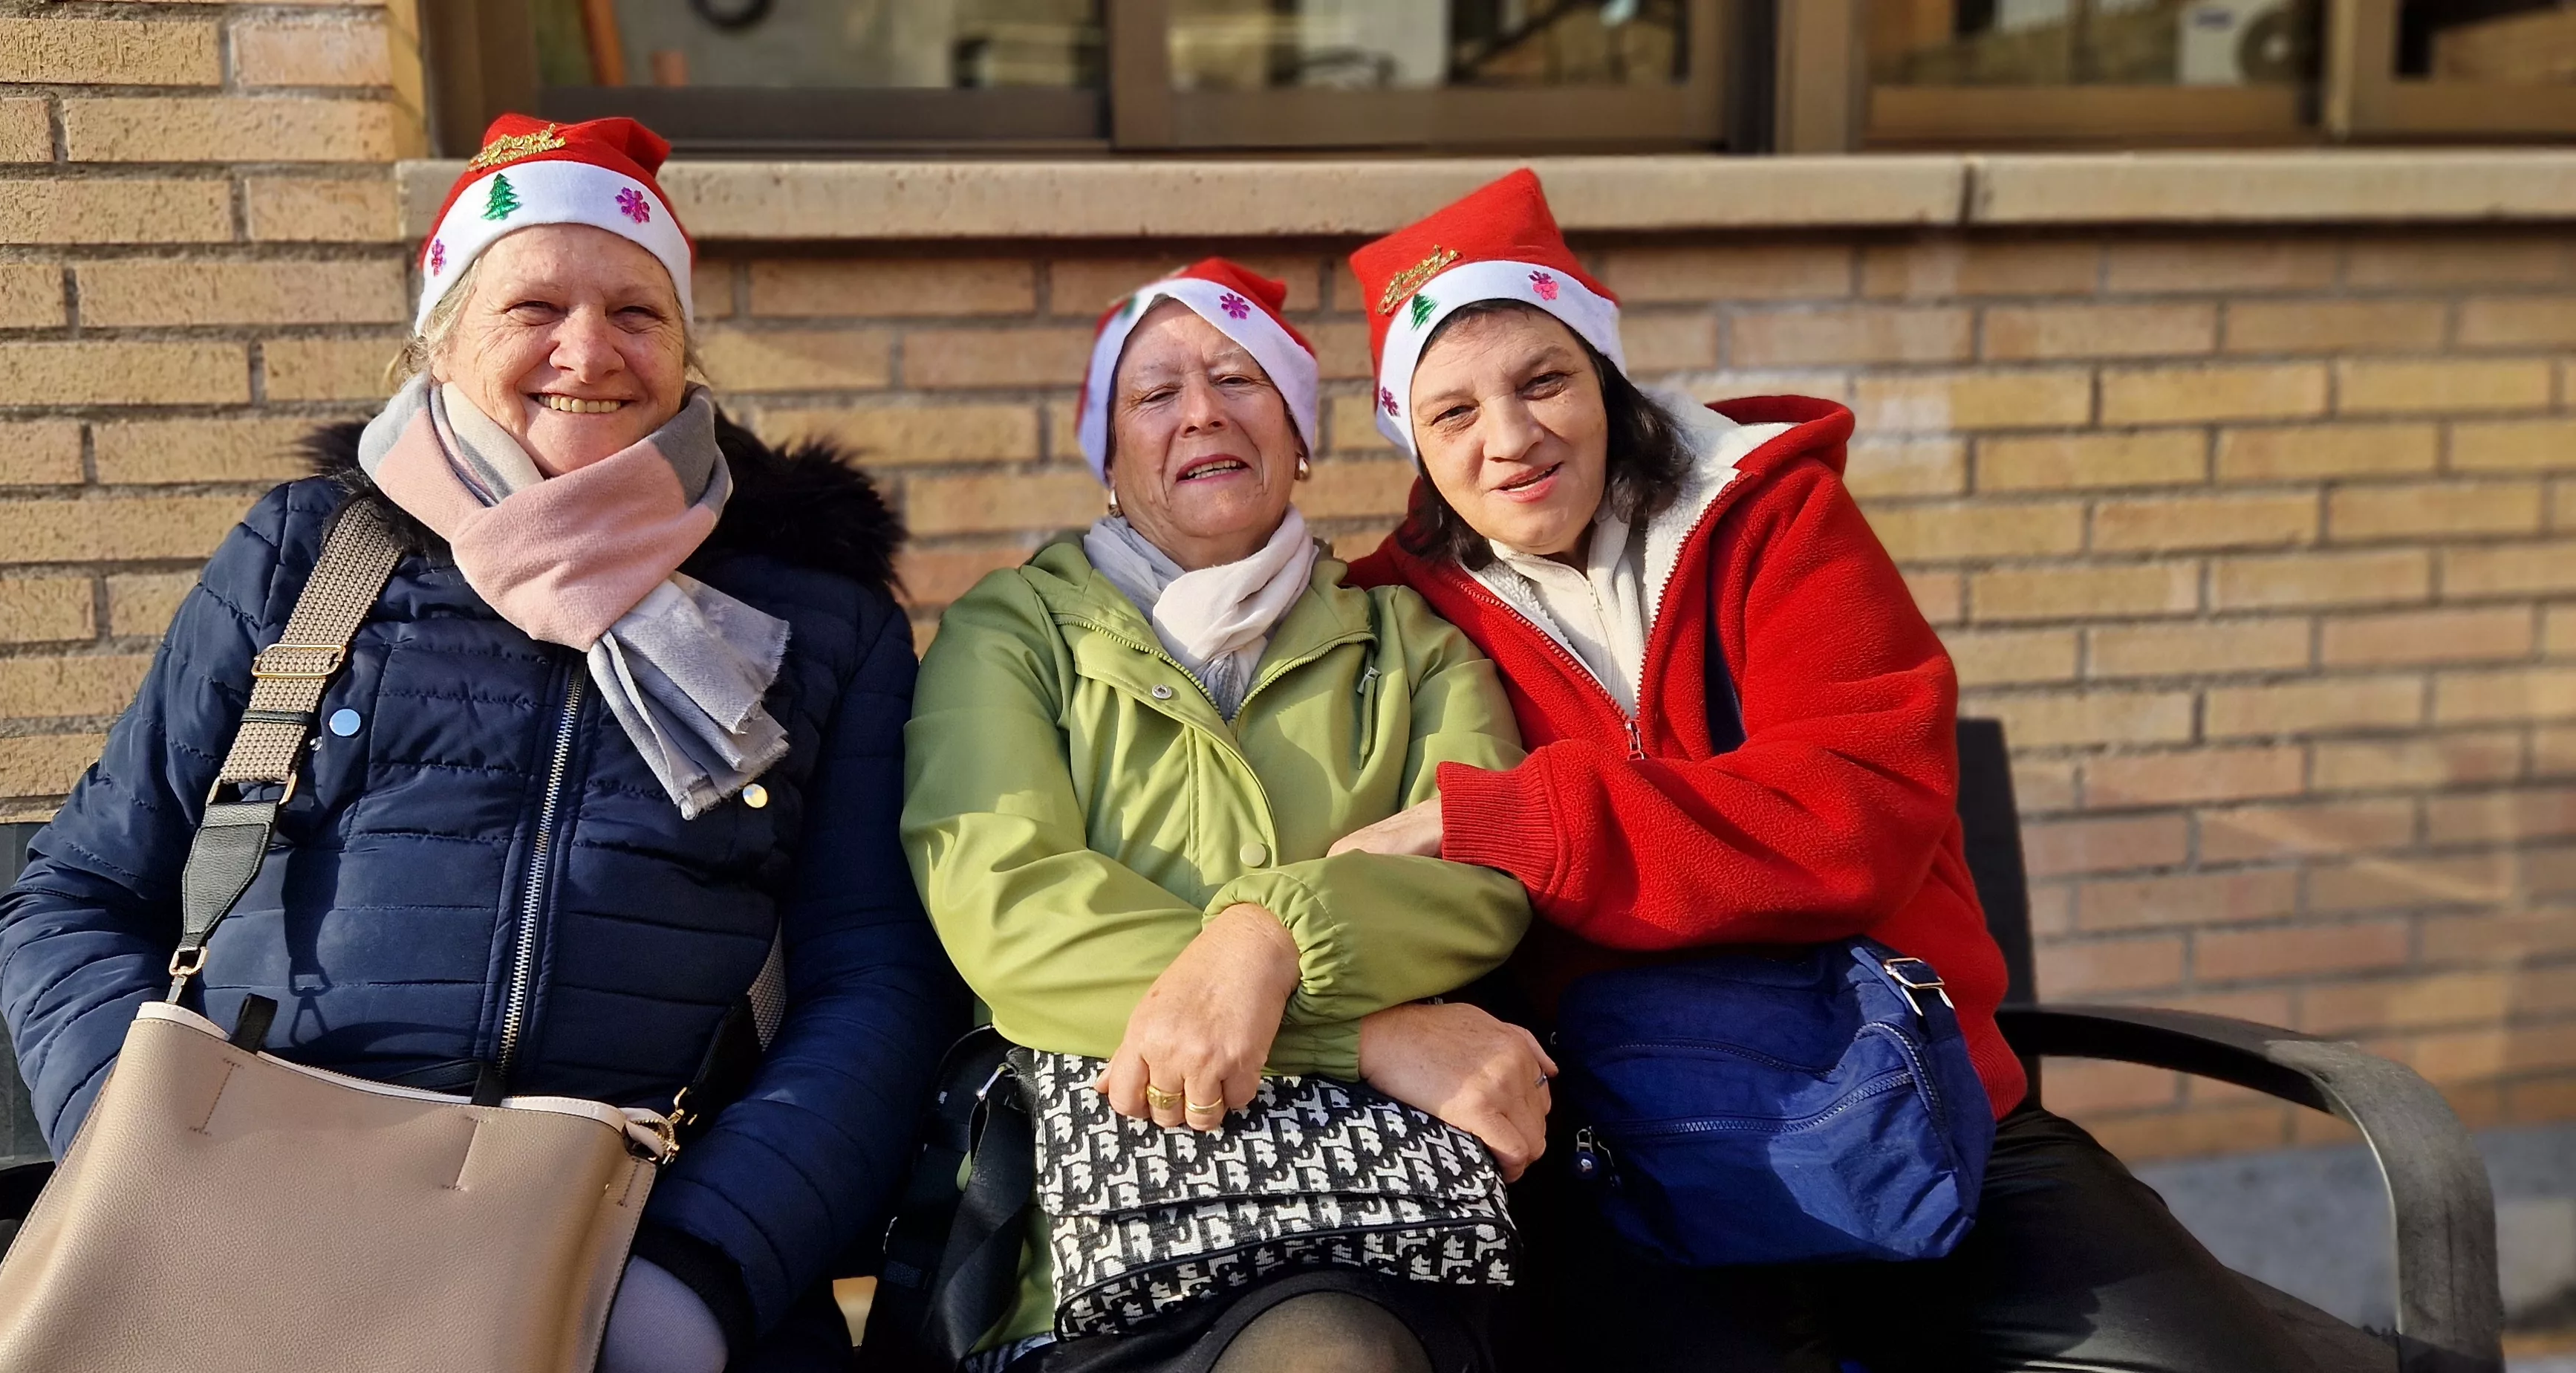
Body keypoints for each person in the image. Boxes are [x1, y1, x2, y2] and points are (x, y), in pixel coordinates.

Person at [0, 115, 960, 1373]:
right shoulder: (305, 562)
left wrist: (704, 1270)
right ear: (443, 337)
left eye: (635, 311)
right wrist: (148, 1160)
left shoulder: (817, 623)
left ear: (684, 350)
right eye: (533, 307)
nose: (587, 351)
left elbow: (876, 987)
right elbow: (75, 895)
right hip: (259, 1230)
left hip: (632, 1248)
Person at [1337, 170, 2309, 1372]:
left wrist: (1510, 822)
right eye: (1453, 414)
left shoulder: (1773, 518)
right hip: (1630, 1147)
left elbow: (1849, 823)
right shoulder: (1396, 624)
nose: (1512, 439)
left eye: (1544, 380)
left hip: (1929, 1104)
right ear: (1413, 447)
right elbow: (1356, 883)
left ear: (1604, 375)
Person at [902, 260, 1549, 1373]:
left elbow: (1479, 869)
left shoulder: (1415, 644)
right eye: (1155, 394)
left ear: (1300, 435)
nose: (1201, 410)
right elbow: (1004, 905)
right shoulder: (1014, 633)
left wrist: (1268, 937)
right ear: (1106, 456)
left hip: (1367, 1225)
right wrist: (1365, 1037)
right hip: (1085, 1240)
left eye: (1241, 380)